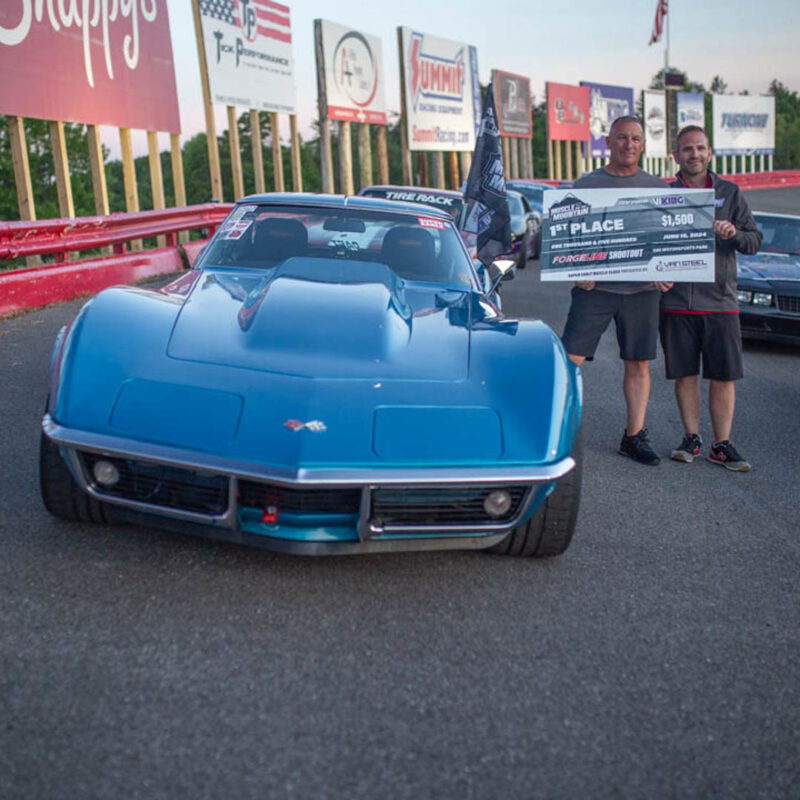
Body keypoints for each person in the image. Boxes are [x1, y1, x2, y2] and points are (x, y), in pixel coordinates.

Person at [561, 115, 672, 465]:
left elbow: (669, 240)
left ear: (643, 144)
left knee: (638, 364)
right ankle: (556, 430)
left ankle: (634, 436)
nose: (629, 144)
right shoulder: (586, 184)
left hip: (642, 291)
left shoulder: (658, 188)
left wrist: (667, 271)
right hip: (596, 289)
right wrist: (577, 270)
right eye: (622, 138)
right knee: (569, 361)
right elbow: (567, 236)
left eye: (636, 139)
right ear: (608, 142)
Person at [660, 125, 762, 471]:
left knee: (723, 375)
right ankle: (691, 438)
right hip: (675, 301)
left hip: (720, 302)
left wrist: (734, 233)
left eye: (701, 148)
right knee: (684, 374)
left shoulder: (730, 193)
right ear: (676, 155)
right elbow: (649, 244)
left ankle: (722, 444)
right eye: (687, 149)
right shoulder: (664, 193)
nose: (695, 154)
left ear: (710, 152)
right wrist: (656, 272)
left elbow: (754, 241)